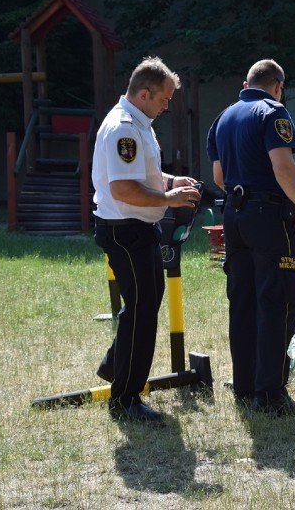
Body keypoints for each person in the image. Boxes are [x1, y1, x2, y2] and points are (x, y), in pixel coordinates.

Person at [206, 59, 295, 415]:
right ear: (278, 86)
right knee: (277, 299)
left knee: (242, 301)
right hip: (269, 217)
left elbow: (219, 175)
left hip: (235, 214)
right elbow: (283, 168)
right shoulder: (273, 112)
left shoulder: (223, 117)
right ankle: (271, 393)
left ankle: (246, 386)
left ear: (247, 83)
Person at [92, 56, 202, 423]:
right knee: (141, 312)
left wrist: (171, 183)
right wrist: (168, 200)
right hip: (126, 230)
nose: (168, 105)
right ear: (143, 93)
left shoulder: (138, 122)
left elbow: (144, 175)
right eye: (164, 99)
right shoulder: (125, 128)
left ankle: (115, 366)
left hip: (136, 228)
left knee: (144, 305)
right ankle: (124, 399)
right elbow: (123, 188)